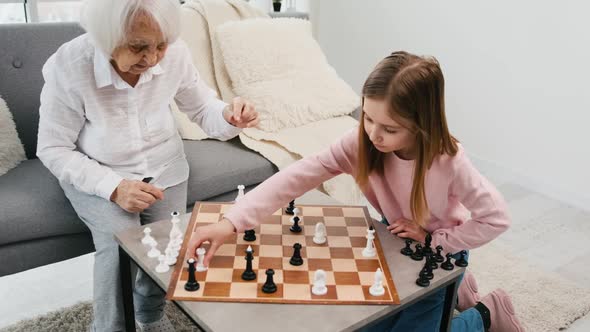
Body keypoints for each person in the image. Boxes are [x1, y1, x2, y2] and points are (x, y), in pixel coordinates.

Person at [188, 51, 524, 332]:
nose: (374, 135)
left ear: (422, 125)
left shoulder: (449, 161)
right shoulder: (360, 143)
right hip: (396, 242)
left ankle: (486, 312)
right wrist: (231, 222)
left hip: (440, 253)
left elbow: (496, 218)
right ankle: (458, 289)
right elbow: (297, 176)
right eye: (367, 118)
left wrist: (437, 241)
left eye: (390, 128)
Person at [36, 0, 259, 331]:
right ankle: (109, 327)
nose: (152, 58)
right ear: (105, 37)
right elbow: (53, 147)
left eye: (160, 45)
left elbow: (202, 110)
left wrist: (229, 115)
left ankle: (149, 317)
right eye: (138, 46)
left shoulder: (176, 54)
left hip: (164, 167)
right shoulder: (70, 65)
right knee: (118, 248)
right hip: (97, 172)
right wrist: (114, 187)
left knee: (168, 247)